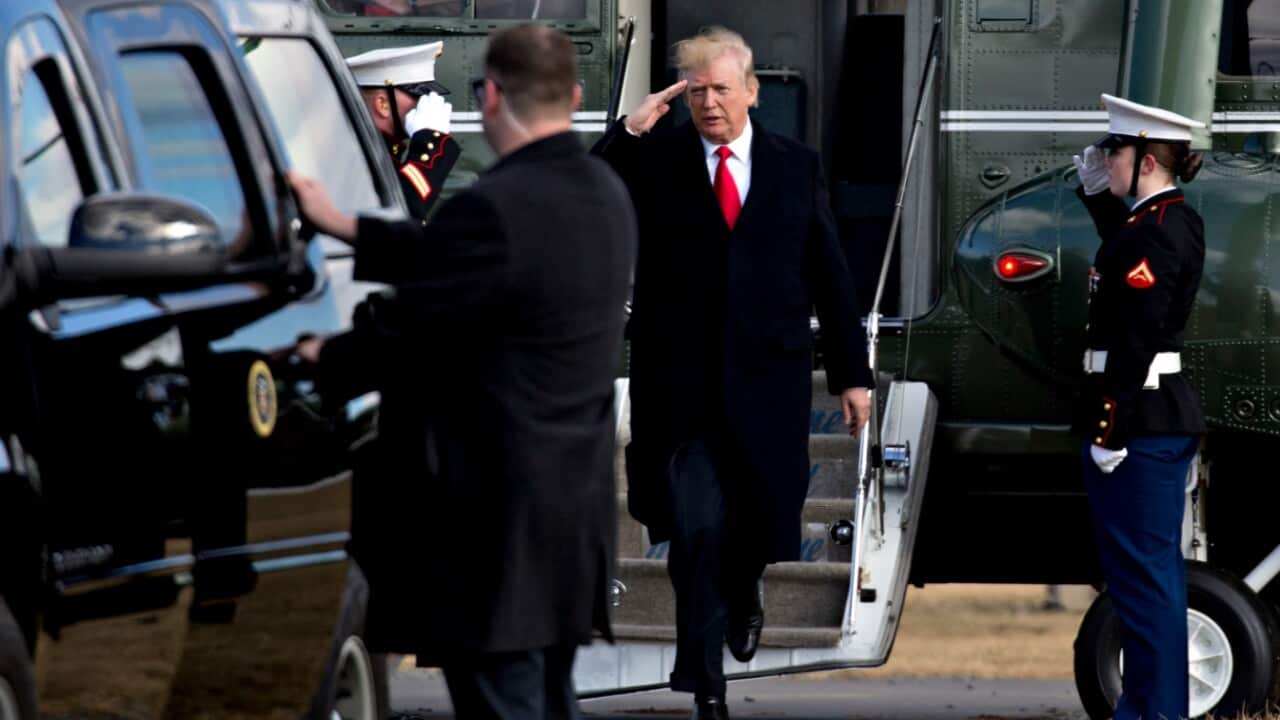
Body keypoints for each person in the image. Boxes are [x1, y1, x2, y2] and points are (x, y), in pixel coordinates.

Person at [292, 24, 636, 718]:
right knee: (546, 701)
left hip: (496, 529)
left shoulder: (494, 211)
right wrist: (345, 224)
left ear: (489, 98)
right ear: (572, 96)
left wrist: (320, 357)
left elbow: (416, 328)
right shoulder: (604, 193)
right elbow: (470, 262)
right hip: (571, 520)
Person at [592, 26, 872, 720]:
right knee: (693, 530)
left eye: (722, 88)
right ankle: (707, 686)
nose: (710, 103)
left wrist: (852, 374)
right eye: (698, 90)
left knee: (753, 527)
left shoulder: (792, 165)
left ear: (753, 91)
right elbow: (589, 194)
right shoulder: (657, 161)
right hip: (678, 387)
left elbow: (829, 275)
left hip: (766, 388)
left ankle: (747, 588)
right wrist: (628, 131)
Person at [1072, 93, 1207, 720]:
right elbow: (1127, 255)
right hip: (1153, 414)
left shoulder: (1157, 228)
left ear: (1146, 159)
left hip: (1140, 418)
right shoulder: (1162, 220)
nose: (1106, 160)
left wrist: (1110, 424)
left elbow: (1137, 333)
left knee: (1142, 583)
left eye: (1114, 152)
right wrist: (1100, 197)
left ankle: (1154, 715)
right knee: (1151, 580)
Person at [347, 41, 460, 220]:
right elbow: (404, 212)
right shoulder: (355, 158)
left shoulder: (380, 151)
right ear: (382, 104)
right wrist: (431, 143)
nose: (425, 103)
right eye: (418, 96)